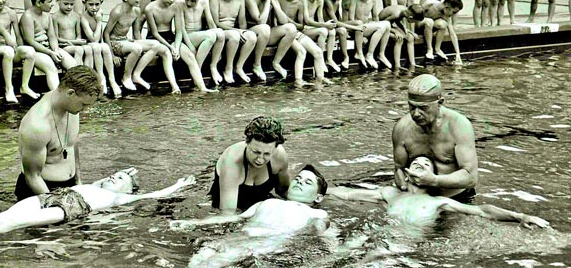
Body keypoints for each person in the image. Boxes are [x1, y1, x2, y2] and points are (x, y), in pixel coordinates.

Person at [0, 169, 196, 241]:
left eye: (121, 178)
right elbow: (107, 179)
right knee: (0, 216)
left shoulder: (121, 198)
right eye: (115, 174)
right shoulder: (96, 186)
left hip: (69, 208)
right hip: (53, 196)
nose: (115, 177)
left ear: (128, 188)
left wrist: (178, 186)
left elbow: (152, 195)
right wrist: (118, 175)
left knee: (12, 224)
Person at [172, 165, 329, 268]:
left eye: (308, 183)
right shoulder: (268, 202)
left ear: (318, 197)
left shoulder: (316, 213)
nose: (300, 182)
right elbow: (233, 218)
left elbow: (321, 233)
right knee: (196, 261)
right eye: (298, 179)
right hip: (236, 237)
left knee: (209, 265)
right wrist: (192, 222)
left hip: (262, 244)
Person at [328, 155, 547, 228]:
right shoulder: (389, 193)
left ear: (433, 179)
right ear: (405, 174)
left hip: (402, 241)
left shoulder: (438, 202)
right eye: (416, 163)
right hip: (376, 231)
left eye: (427, 165)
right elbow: (347, 194)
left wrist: (520, 216)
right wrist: (319, 188)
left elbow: (482, 211)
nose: (421, 164)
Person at [15, 65, 102, 200]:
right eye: (84, 105)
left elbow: (72, 145)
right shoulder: (37, 124)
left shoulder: (72, 108)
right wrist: (61, 203)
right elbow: (32, 177)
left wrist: (78, 183)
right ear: (71, 93)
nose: (85, 110)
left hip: (70, 185)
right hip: (40, 191)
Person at [393, 74, 477, 202]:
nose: (415, 114)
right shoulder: (402, 128)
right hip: (417, 198)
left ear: (440, 103)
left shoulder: (459, 126)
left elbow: (470, 177)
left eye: (423, 108)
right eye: (411, 106)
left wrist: (434, 181)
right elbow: (399, 168)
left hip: (455, 198)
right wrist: (405, 189)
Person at [144, 0, 215, 93]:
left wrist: (176, 46)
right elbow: (154, 33)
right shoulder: (150, 8)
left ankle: (202, 87)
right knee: (167, 54)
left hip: (170, 36)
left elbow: (179, 31)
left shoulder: (176, 7)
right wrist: (171, 47)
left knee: (190, 57)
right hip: (156, 38)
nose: (172, 0)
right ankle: (175, 87)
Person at [209, 116, 290, 213]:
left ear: (275, 148)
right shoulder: (232, 162)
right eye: (256, 152)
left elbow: (284, 191)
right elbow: (227, 214)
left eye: (267, 154)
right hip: (228, 208)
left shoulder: (279, 156)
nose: (260, 159)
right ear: (247, 142)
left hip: (260, 205)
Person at [102, 0, 158, 91]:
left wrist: (143, 48)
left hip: (126, 41)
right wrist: (112, 55)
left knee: (155, 45)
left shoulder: (136, 11)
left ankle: (136, 75)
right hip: (115, 43)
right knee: (136, 48)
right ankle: (126, 77)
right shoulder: (117, 12)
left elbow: (136, 32)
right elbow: (106, 33)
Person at [276, 0, 332, 86]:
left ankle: (320, 78)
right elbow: (276, 22)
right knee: (302, 52)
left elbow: (301, 26)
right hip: (283, 34)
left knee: (318, 51)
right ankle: (298, 80)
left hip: (296, 32)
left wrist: (288, 21)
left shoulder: (299, 3)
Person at [242, 0, 299, 80]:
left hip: (267, 35)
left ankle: (276, 62)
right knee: (264, 28)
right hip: (253, 34)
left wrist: (273, 1)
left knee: (291, 28)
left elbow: (283, 21)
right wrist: (268, 1)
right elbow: (260, 21)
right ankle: (257, 64)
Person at [209, 0, 257, 84]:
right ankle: (228, 68)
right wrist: (236, 31)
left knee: (252, 36)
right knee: (234, 35)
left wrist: (242, 31)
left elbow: (242, 23)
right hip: (220, 32)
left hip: (233, 31)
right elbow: (216, 23)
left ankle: (239, 67)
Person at [79, 0, 121, 97]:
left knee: (105, 47)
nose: (94, 8)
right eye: (91, 4)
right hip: (88, 44)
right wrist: (98, 22)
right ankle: (101, 77)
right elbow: (93, 39)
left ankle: (112, 80)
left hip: (97, 45)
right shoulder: (84, 18)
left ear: (101, 3)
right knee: (97, 46)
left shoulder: (99, 12)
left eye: (97, 4)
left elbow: (100, 38)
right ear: (84, 3)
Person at [180, 0, 224, 86]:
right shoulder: (180, 3)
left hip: (199, 35)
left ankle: (213, 66)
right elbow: (181, 28)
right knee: (210, 36)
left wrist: (219, 44)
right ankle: (197, 72)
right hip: (186, 36)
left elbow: (211, 23)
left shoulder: (204, 2)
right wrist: (190, 47)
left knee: (220, 33)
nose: (189, 3)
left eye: (192, 1)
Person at [348, 0, 392, 69]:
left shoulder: (373, 0)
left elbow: (375, 17)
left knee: (387, 24)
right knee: (381, 26)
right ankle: (369, 54)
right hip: (356, 29)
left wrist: (376, 30)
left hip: (365, 28)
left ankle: (381, 53)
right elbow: (351, 19)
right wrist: (360, 36)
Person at [301, 0, 338, 72]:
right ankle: (320, 60)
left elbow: (320, 18)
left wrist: (327, 24)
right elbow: (307, 21)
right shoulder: (303, 0)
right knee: (323, 31)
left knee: (332, 31)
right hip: (305, 30)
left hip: (314, 28)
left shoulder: (320, 0)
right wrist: (325, 25)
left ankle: (329, 59)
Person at [53, 0, 91, 66]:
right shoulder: (55, 17)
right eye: (66, 4)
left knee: (89, 49)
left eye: (72, 4)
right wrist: (72, 42)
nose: (69, 7)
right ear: (57, 0)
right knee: (79, 50)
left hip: (74, 44)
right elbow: (56, 38)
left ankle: (88, 72)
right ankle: (77, 73)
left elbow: (78, 35)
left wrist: (77, 41)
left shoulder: (76, 16)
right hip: (63, 46)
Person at [379, 3, 424, 70]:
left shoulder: (405, 11)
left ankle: (412, 63)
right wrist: (395, 31)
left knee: (410, 37)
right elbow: (383, 24)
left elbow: (397, 21)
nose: (413, 23)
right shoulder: (396, 14)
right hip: (381, 27)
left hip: (389, 25)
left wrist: (408, 31)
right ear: (410, 18)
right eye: (414, 21)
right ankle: (397, 65)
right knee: (400, 38)